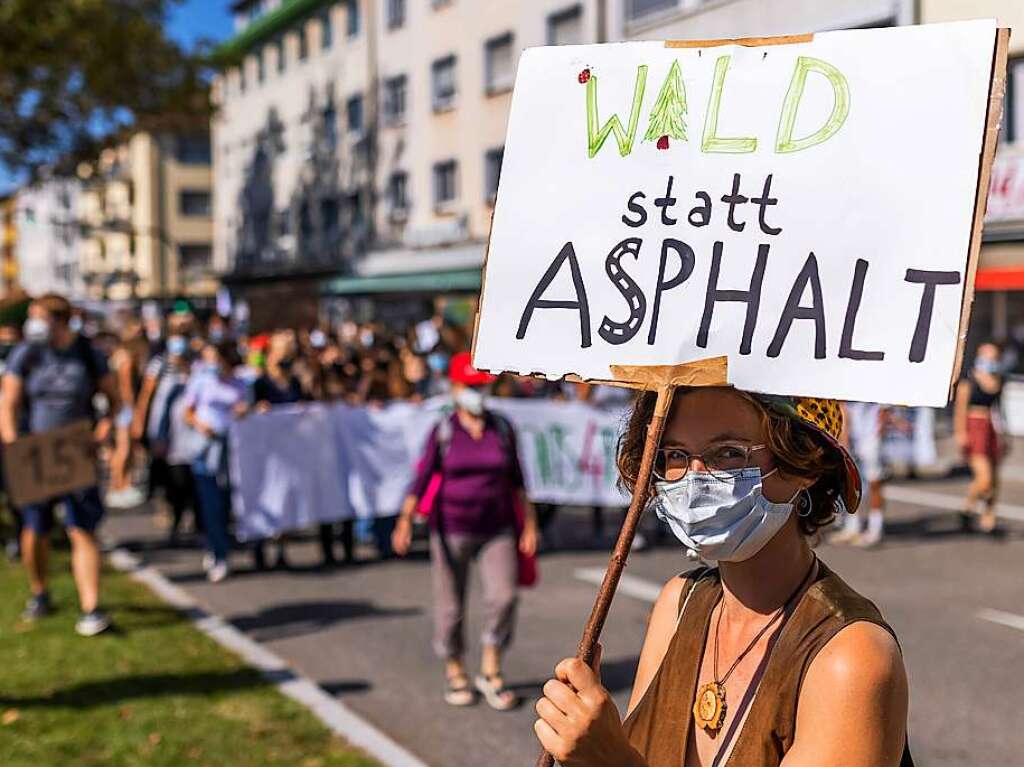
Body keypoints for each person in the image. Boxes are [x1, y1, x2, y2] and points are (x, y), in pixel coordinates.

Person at [534, 388, 911, 766]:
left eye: (728, 452)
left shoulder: (851, 657)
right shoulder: (678, 603)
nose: (696, 479)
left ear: (804, 464)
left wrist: (612, 761)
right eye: (676, 455)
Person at [392, 352, 538, 711]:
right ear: (455, 388)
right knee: (450, 608)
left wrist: (530, 525)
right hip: (451, 528)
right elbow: (422, 478)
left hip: (497, 527)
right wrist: (405, 521)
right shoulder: (443, 431)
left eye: (482, 386)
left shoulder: (501, 427)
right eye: (470, 386)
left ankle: (491, 670)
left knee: (504, 597)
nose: (478, 393)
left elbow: (519, 481)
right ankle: (455, 669)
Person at [0, 294, 121, 636]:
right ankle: (40, 591)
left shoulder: (87, 354)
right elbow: (8, 402)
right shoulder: (28, 353)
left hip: (75, 452)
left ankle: (91, 606)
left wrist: (106, 426)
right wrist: (12, 443)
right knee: (35, 528)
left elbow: (114, 399)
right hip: (37, 452)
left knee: (81, 528)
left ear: (61, 320)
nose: (33, 324)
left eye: (39, 317)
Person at [183, 340, 251, 583]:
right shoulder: (202, 380)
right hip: (206, 448)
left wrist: (245, 411)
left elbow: (248, 410)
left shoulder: (242, 382)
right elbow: (188, 411)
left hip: (232, 449)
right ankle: (217, 552)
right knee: (210, 503)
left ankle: (223, 545)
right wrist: (202, 426)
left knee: (227, 503)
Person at [131, 318, 197, 544]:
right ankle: (174, 518)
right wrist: (139, 421)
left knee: (190, 478)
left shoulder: (195, 363)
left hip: (190, 433)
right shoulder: (159, 364)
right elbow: (146, 395)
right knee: (170, 477)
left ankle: (193, 520)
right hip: (165, 431)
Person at [954, 342, 1005, 535]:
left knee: (995, 477)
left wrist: (1003, 435)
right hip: (974, 426)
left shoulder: (999, 379)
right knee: (984, 478)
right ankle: (967, 509)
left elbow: (1000, 410)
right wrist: (960, 433)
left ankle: (987, 516)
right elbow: (960, 409)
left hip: (992, 427)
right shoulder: (970, 379)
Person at [830, 402, 887, 548]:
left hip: (870, 437)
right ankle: (853, 526)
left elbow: (884, 409)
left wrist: (878, 434)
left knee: (875, 481)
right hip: (852, 437)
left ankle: (875, 528)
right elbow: (842, 406)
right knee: (850, 481)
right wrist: (844, 434)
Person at [105, 318, 148, 508]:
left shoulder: (118, 354)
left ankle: (120, 484)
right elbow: (126, 387)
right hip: (124, 407)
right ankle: (118, 485)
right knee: (124, 448)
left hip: (119, 406)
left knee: (122, 448)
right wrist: (134, 409)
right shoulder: (126, 357)